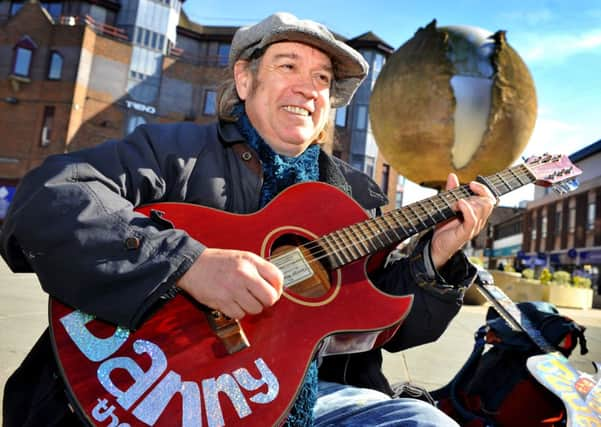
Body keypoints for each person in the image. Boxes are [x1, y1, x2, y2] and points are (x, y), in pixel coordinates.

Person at [0, 12, 496, 427]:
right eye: (288, 66)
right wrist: (187, 264)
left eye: (323, 79)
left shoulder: (359, 196)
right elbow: (47, 200)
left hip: (315, 398)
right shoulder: (175, 152)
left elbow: (390, 327)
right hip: (165, 391)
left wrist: (435, 259)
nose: (309, 88)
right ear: (245, 78)